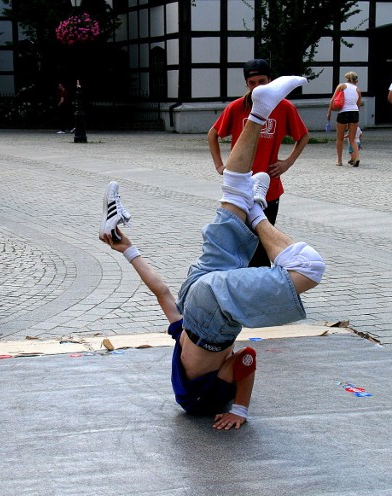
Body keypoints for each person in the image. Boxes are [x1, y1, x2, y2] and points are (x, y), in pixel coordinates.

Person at [101, 76, 325, 430]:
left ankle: (257, 213)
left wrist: (240, 409)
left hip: (213, 309)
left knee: (309, 267)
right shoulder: (180, 342)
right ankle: (260, 110)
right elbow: (161, 291)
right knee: (231, 197)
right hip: (195, 294)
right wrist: (127, 249)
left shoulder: (198, 401)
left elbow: (246, 359)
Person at [208, 59, 309, 268]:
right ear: (247, 84)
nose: (257, 87)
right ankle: (245, 285)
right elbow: (213, 134)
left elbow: (303, 136)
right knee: (241, 242)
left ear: (270, 81)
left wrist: (287, 162)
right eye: (252, 83)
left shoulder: (284, 107)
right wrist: (219, 165)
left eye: (262, 81)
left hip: (269, 187)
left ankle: (261, 285)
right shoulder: (237, 107)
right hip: (241, 188)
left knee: (264, 241)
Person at [327, 71, 362, 167]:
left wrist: (329, 112)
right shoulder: (358, 90)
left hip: (343, 112)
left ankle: (339, 160)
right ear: (356, 80)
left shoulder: (341, 86)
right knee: (353, 139)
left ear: (346, 79)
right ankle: (357, 157)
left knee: (340, 138)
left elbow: (333, 100)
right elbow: (358, 105)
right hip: (354, 113)